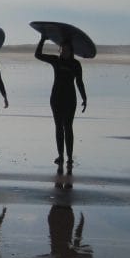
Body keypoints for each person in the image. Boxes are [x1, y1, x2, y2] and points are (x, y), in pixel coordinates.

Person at [35, 32, 87, 167]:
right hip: (56, 99)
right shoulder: (56, 60)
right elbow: (38, 55)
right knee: (58, 127)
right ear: (60, 50)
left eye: (67, 49)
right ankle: (60, 156)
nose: (64, 51)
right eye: (62, 49)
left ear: (71, 51)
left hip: (70, 99)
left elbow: (79, 82)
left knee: (68, 127)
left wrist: (84, 97)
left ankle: (69, 158)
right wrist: (42, 39)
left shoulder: (75, 64)